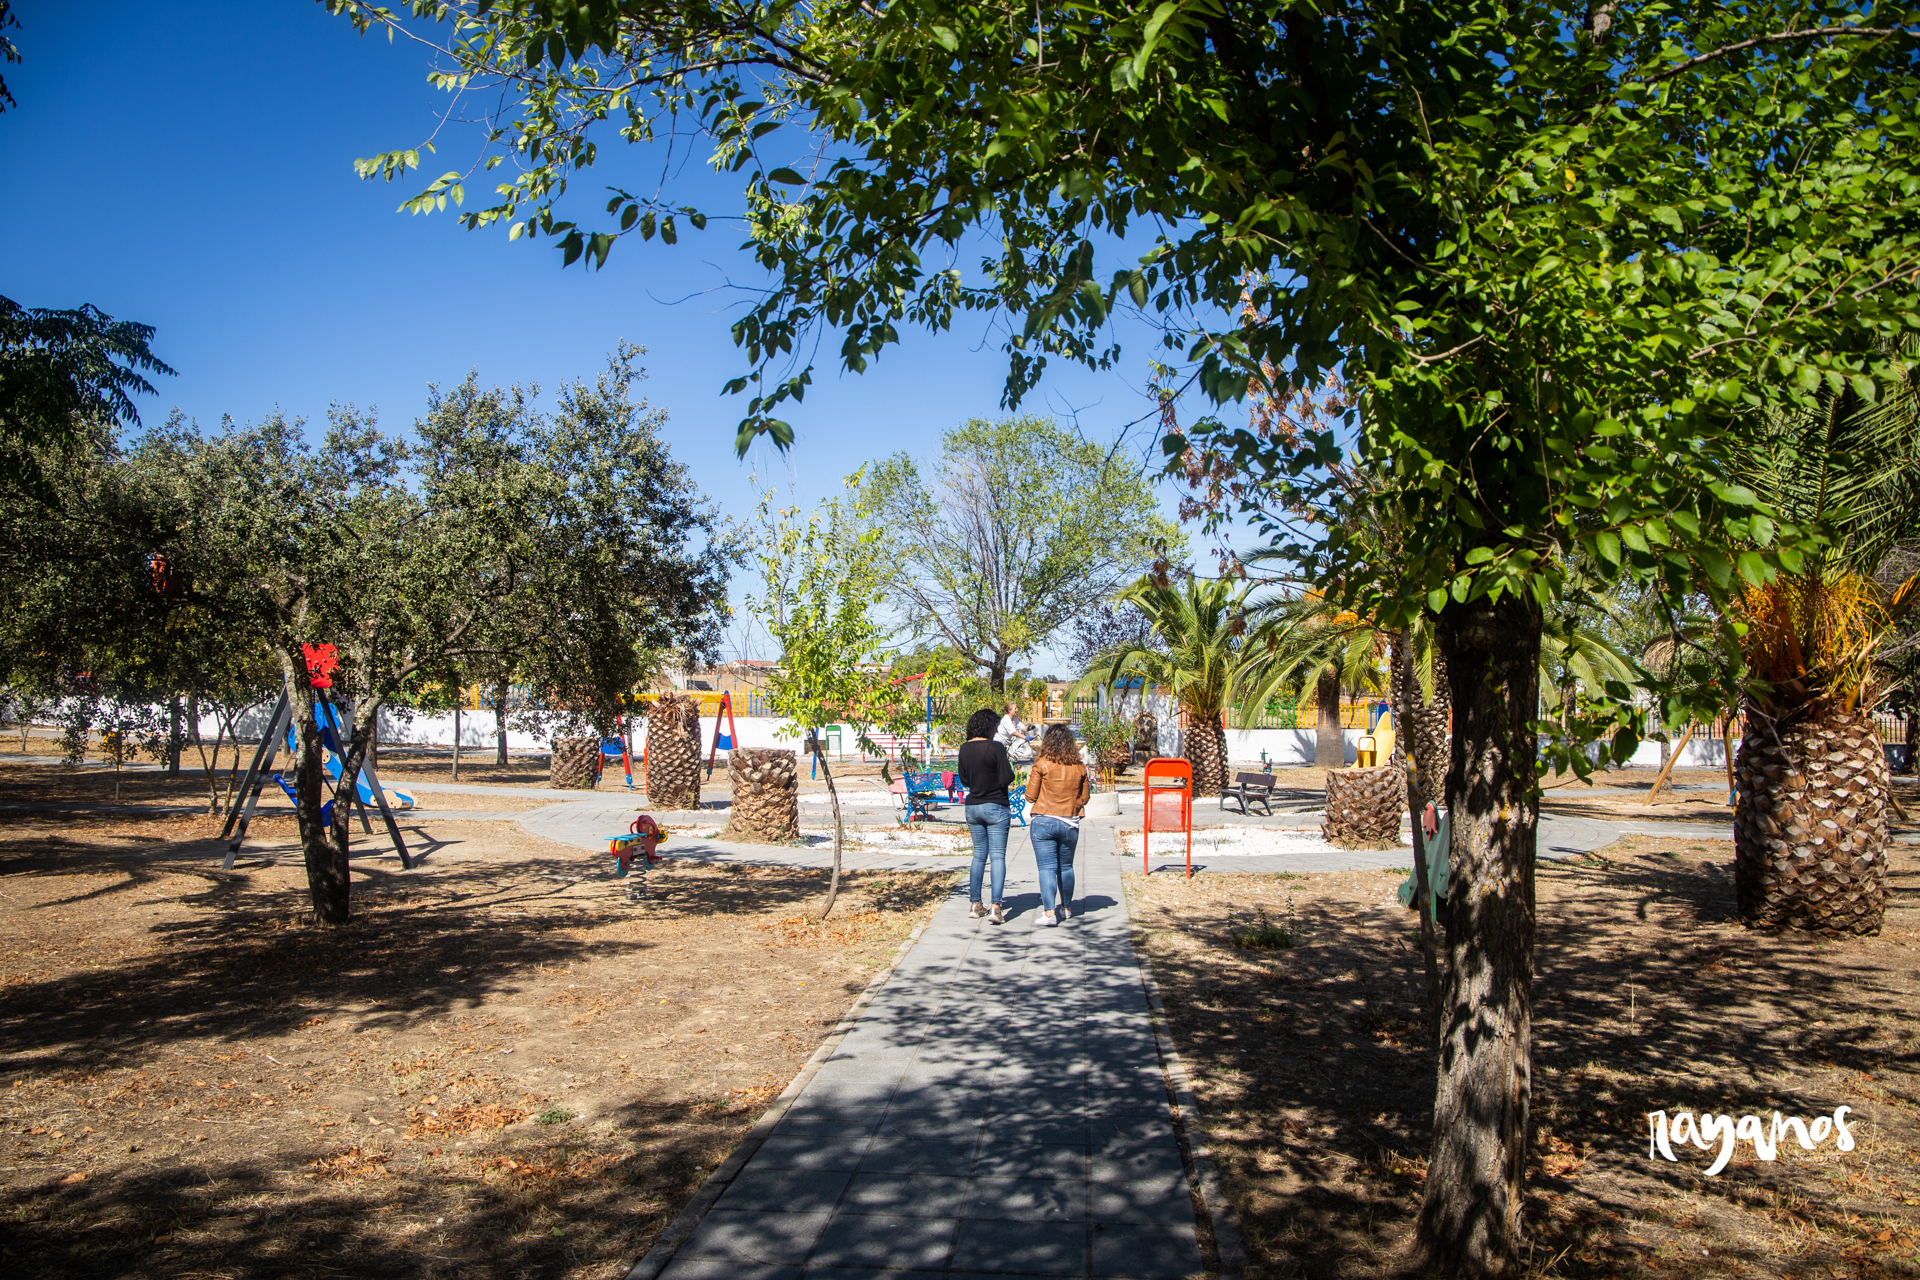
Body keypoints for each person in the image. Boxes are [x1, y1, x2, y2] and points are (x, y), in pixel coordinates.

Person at [1025, 724, 1091, 926]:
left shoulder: (1042, 763)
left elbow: (1030, 796)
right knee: (1066, 866)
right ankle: (1067, 908)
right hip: (1070, 822)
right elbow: (1086, 798)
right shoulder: (1080, 767)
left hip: (1043, 821)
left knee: (1046, 867)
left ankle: (1049, 913)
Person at [958, 707, 1015, 924]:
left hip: (973, 807)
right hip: (996, 806)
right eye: (995, 726)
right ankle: (996, 908)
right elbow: (1006, 777)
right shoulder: (996, 747)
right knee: (998, 856)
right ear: (989, 726)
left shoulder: (964, 749)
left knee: (979, 855)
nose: (996, 730)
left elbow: (964, 781)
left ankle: (975, 904)